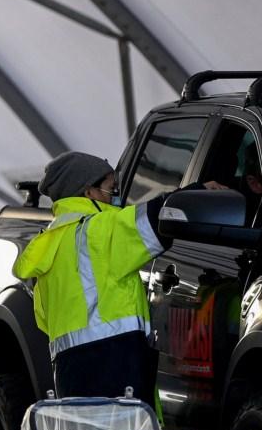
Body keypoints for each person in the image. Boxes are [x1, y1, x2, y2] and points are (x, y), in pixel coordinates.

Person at [13, 151, 223, 404]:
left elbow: (44, 320)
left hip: (68, 367)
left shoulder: (50, 246)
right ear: (88, 192)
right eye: (111, 189)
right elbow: (155, 217)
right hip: (114, 360)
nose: (116, 198)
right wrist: (197, 192)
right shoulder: (99, 229)